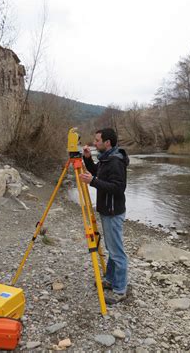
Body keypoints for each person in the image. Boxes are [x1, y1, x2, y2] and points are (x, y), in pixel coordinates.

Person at [79, 128, 129, 305]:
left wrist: (92, 181)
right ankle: (110, 279)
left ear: (107, 142)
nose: (95, 143)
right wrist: (87, 159)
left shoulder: (115, 161)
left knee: (117, 252)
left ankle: (120, 289)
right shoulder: (107, 157)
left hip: (113, 211)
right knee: (111, 248)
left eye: (97, 140)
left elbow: (117, 188)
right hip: (108, 210)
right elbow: (98, 173)